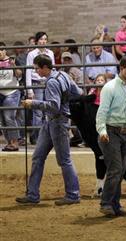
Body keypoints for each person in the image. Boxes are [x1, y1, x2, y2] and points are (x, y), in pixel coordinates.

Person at [16, 54, 82, 205]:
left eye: (37, 68)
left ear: (45, 67)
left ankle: (73, 194)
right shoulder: (63, 74)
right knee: (39, 157)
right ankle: (32, 194)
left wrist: (33, 103)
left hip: (56, 122)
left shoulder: (52, 82)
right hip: (53, 122)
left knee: (63, 160)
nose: (36, 71)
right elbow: (78, 92)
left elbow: (53, 105)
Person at [95, 56, 126, 217]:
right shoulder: (109, 87)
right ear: (121, 68)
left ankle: (114, 205)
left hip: (125, 133)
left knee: (120, 170)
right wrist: (102, 131)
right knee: (116, 169)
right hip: (111, 132)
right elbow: (102, 112)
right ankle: (106, 203)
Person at [26, 31, 55, 144]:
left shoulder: (50, 53)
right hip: (36, 82)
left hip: (48, 82)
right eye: (41, 39)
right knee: (37, 112)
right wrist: (29, 89)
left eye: (45, 39)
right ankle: (36, 138)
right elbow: (28, 71)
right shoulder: (32, 54)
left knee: (48, 110)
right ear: (37, 41)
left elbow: (53, 68)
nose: (43, 41)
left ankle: (46, 137)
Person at [0, 42, 21, 151]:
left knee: (9, 117)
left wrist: (13, 65)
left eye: (1, 50)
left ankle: (15, 142)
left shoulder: (12, 60)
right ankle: (9, 143)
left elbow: (19, 74)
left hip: (11, 92)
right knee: (2, 120)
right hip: (0, 94)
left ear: (5, 50)